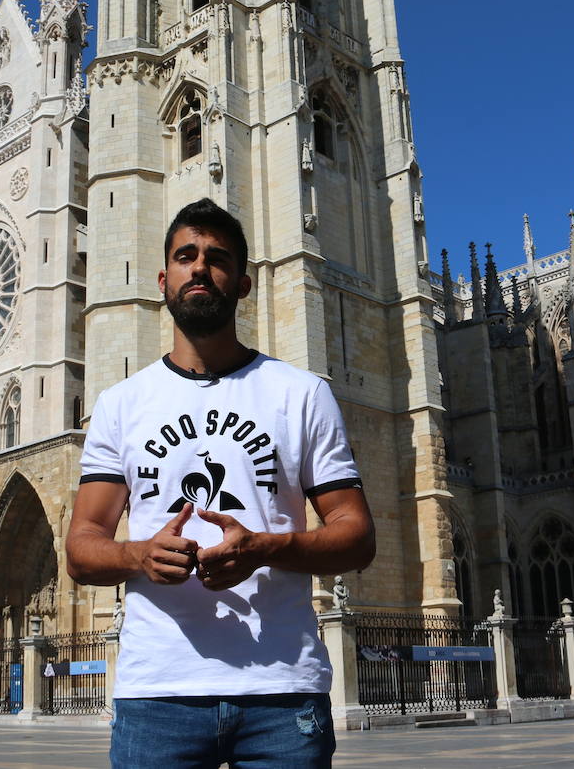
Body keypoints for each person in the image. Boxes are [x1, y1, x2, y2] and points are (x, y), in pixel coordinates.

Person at [66, 199, 375, 768]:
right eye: (186, 256)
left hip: (282, 695)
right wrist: (139, 554)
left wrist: (267, 548)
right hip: (158, 695)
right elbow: (82, 547)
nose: (200, 268)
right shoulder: (120, 405)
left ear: (244, 283)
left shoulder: (301, 394)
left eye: (217, 258)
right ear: (163, 279)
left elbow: (357, 536)